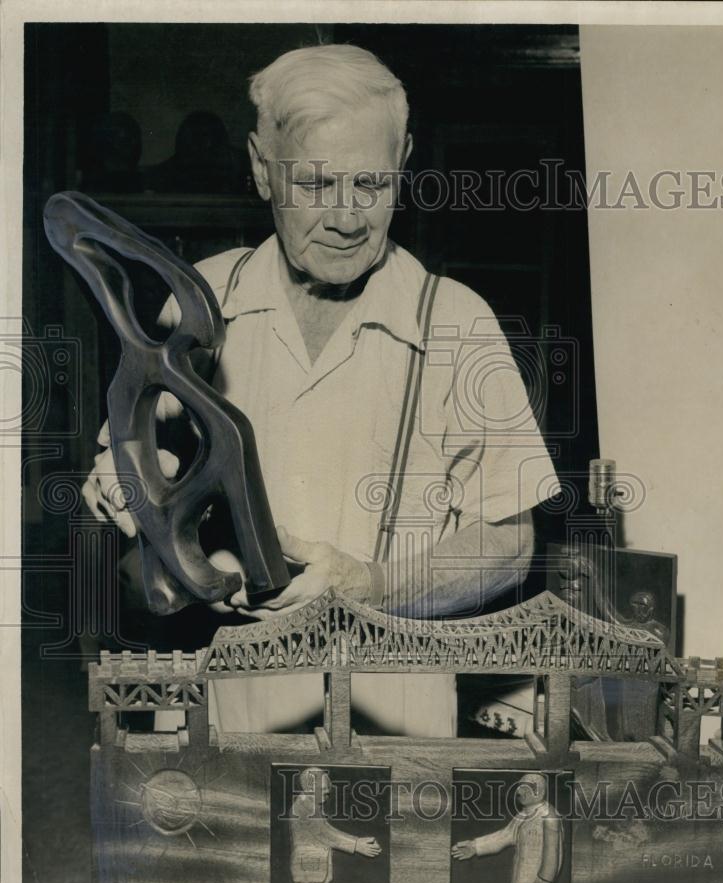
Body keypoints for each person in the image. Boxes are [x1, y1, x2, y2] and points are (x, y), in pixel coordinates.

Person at [81, 44, 560, 736]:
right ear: (259, 169)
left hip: (396, 729)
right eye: (313, 185)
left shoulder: (458, 322)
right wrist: (125, 484)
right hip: (225, 715)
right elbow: (138, 472)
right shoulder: (200, 299)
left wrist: (370, 584)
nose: (346, 218)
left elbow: (511, 545)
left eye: (370, 185)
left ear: (403, 164)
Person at [451, 772, 564, 883]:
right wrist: (475, 846)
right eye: (519, 787)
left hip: (538, 878)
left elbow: (553, 852)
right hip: (520, 876)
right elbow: (504, 836)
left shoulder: (549, 817)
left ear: (540, 792)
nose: (518, 792)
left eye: (525, 788)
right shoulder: (523, 815)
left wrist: (545, 879)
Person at [289, 767, 381, 883]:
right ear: (309, 787)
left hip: (315, 867)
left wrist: (356, 840)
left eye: (328, 788)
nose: (327, 792)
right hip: (309, 868)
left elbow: (326, 829)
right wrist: (356, 845)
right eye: (323, 788)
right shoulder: (303, 808)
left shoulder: (310, 805)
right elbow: (325, 834)